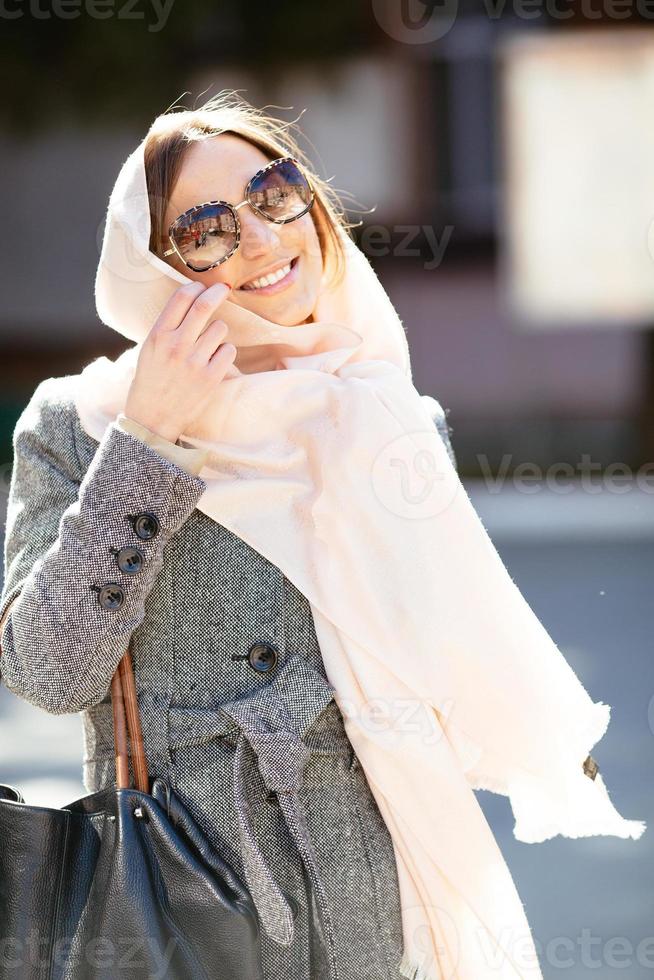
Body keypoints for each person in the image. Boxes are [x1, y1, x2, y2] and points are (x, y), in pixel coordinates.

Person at [0, 90, 644, 980]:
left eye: (275, 191)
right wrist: (147, 442)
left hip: (373, 909)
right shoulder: (79, 425)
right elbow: (46, 673)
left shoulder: (388, 418)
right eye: (208, 229)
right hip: (178, 903)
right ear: (155, 267)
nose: (262, 238)